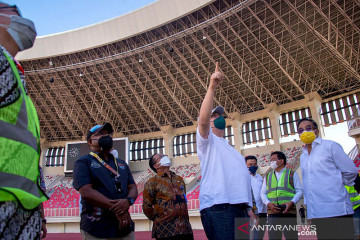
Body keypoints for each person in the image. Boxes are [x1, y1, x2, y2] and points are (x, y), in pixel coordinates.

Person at [0, 3, 48, 239]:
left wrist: (39, 211)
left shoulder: (17, 77)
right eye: (12, 11)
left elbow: (27, 154)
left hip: (22, 205)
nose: (21, 18)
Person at [197, 62, 254, 240]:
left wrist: (249, 208)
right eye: (214, 115)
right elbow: (203, 122)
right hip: (220, 207)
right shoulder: (207, 142)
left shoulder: (233, 151)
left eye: (219, 115)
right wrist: (212, 87)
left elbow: (241, 180)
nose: (217, 118)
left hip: (240, 208)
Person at [73, 123, 138, 240]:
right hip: (96, 228)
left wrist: (128, 201)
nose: (105, 136)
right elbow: (86, 191)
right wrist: (119, 210)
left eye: (107, 134)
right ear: (89, 141)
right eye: (99, 134)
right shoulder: (83, 162)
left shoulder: (122, 163)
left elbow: (132, 187)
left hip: (123, 227)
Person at [297, 117, 357, 240]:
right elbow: (308, 186)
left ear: (316, 131)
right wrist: (310, 213)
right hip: (318, 212)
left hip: (337, 208)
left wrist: (337, 181)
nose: (304, 132)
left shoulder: (330, 146)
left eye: (308, 128)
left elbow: (351, 171)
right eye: (300, 130)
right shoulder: (303, 156)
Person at [142, 153, 193, 240]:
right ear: (156, 166)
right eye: (160, 157)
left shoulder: (179, 179)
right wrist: (160, 218)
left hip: (185, 228)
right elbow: (146, 206)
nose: (165, 156)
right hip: (165, 232)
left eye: (164, 155)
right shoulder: (152, 182)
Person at [260, 151, 303, 240]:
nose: (271, 162)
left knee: (291, 237)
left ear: (281, 161)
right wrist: (268, 204)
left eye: (274, 159)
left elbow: (299, 191)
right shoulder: (267, 176)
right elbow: (263, 193)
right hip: (273, 212)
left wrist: (292, 202)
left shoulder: (292, 174)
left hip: (288, 211)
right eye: (270, 160)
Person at [245, 155, 267, 240]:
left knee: (260, 235)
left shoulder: (260, 177)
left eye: (254, 164)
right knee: (253, 236)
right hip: (252, 212)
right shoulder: (244, 177)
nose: (253, 166)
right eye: (250, 165)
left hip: (263, 211)